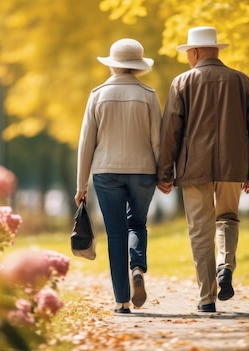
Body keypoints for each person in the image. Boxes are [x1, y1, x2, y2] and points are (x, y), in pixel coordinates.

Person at [157, 26, 249, 313]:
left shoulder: (182, 82)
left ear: (193, 53)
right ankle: (225, 266)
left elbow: (171, 131)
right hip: (233, 166)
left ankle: (207, 298)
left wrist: (165, 173)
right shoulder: (242, 81)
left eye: (187, 54)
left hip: (194, 168)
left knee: (199, 229)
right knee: (228, 218)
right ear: (216, 50)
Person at [75, 38, 162, 314]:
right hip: (143, 171)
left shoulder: (97, 94)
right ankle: (137, 266)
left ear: (113, 65)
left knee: (115, 234)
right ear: (137, 67)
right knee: (137, 223)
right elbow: (158, 141)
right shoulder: (149, 94)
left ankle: (122, 301)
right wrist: (162, 174)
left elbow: (86, 143)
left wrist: (81, 185)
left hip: (106, 172)